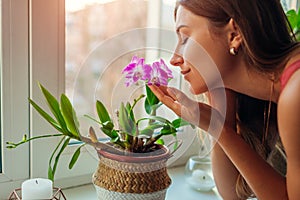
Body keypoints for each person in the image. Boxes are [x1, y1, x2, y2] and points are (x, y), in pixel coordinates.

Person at [149, 0, 300, 199]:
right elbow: (232, 195)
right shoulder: (266, 96)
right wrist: (220, 124)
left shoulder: (295, 92)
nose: (175, 58)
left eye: (185, 38)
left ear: (235, 34)